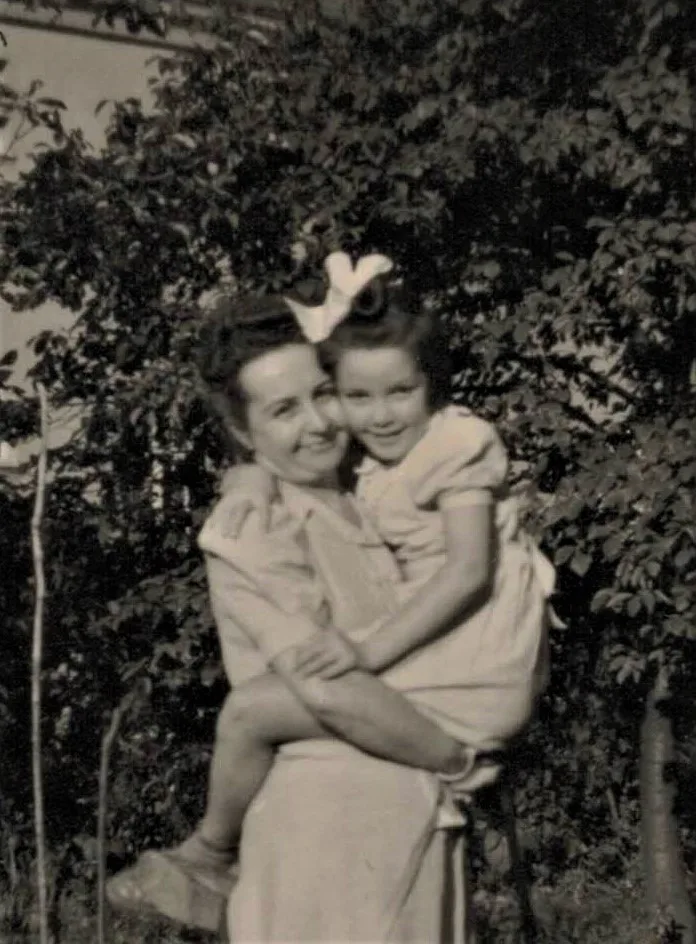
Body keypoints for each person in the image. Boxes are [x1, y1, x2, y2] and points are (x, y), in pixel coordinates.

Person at [108, 252, 554, 928]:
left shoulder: (372, 492)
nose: (318, 423)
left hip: (415, 823)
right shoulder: (254, 526)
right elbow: (325, 687)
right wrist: (459, 758)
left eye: (324, 393)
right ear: (241, 430)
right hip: (332, 828)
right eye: (283, 410)